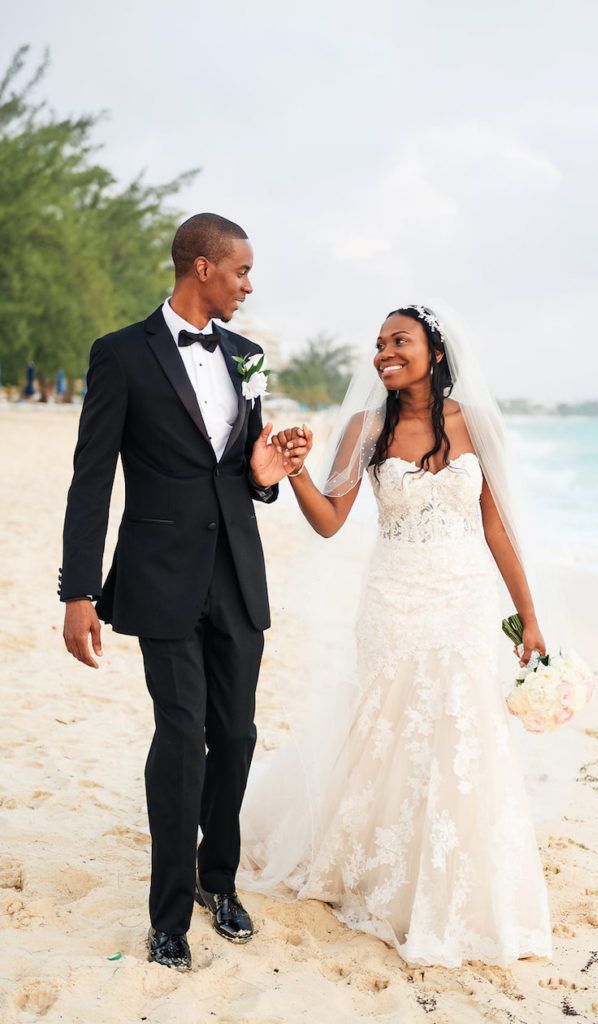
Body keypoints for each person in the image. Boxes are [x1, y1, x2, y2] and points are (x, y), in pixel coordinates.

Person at [239, 303, 554, 968]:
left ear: (434, 351)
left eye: (399, 340)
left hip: (462, 601)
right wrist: (296, 469)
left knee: (459, 731)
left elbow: (497, 528)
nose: (384, 351)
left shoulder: (475, 425)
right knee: (386, 728)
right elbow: (329, 521)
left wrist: (528, 616)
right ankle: (366, 862)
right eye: (379, 343)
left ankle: (449, 877)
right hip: (391, 599)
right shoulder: (364, 427)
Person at [58, 213, 307, 972]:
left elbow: (241, 470)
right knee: (181, 738)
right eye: (240, 271)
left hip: (236, 574)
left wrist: (267, 475)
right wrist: (78, 590)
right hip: (159, 578)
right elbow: (92, 476)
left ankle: (217, 881)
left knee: (235, 737)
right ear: (202, 267)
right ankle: (166, 914)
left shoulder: (248, 355)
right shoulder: (120, 355)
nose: (249, 284)